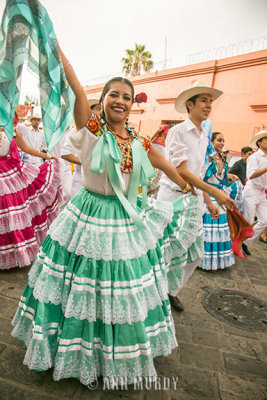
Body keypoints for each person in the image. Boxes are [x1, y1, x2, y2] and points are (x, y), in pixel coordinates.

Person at [12, 42, 208, 385]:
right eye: (113, 95)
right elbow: (75, 88)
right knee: (81, 287)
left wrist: (187, 185)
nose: (120, 101)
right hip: (85, 217)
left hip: (124, 220)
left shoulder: (138, 139)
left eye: (126, 97)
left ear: (132, 105)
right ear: (102, 100)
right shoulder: (90, 129)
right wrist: (60, 52)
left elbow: (161, 160)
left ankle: (114, 354)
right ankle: (74, 351)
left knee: (121, 288)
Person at [158, 81, 234, 310]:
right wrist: (214, 192)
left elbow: (198, 172)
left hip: (194, 200)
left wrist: (208, 200)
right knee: (166, 250)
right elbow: (180, 170)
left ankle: (170, 290)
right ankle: (157, 294)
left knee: (195, 254)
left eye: (210, 102)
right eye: (204, 100)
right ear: (189, 105)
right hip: (173, 197)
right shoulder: (178, 131)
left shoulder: (203, 135)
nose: (209, 105)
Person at [0, 126, 61, 270]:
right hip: (8, 173)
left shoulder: (11, 131)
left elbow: (26, 148)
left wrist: (46, 156)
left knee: (12, 214)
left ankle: (14, 256)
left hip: (11, 172)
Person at [199, 132, 239, 270]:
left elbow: (219, 176)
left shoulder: (220, 157)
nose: (222, 143)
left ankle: (217, 260)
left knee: (220, 229)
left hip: (219, 194)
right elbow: (202, 178)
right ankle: (203, 260)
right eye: (219, 140)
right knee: (209, 229)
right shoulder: (207, 158)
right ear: (211, 142)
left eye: (223, 140)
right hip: (208, 195)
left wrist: (230, 176)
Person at [61, 99, 101, 199]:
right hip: (81, 179)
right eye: (98, 109)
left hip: (98, 182)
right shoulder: (76, 131)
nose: (101, 112)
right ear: (91, 112)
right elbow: (65, 153)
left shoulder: (103, 131)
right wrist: (86, 162)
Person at [242, 131, 267, 255]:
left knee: (265, 220)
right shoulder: (254, 157)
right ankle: (237, 243)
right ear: (259, 142)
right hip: (251, 190)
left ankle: (245, 242)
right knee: (248, 221)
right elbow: (251, 175)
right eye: (266, 139)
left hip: (262, 192)